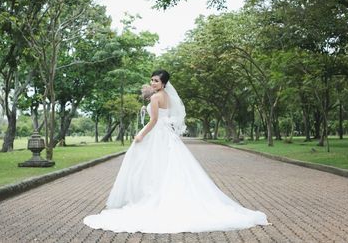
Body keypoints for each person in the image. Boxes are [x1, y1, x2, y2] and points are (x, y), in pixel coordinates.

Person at [83, 69, 271, 233]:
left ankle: (152, 198)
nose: (152, 83)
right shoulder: (166, 97)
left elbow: (154, 120)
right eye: (152, 80)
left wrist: (141, 134)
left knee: (151, 165)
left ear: (164, 83)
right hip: (167, 135)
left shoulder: (156, 97)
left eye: (156, 80)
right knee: (165, 166)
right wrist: (146, 105)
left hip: (157, 134)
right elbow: (165, 115)